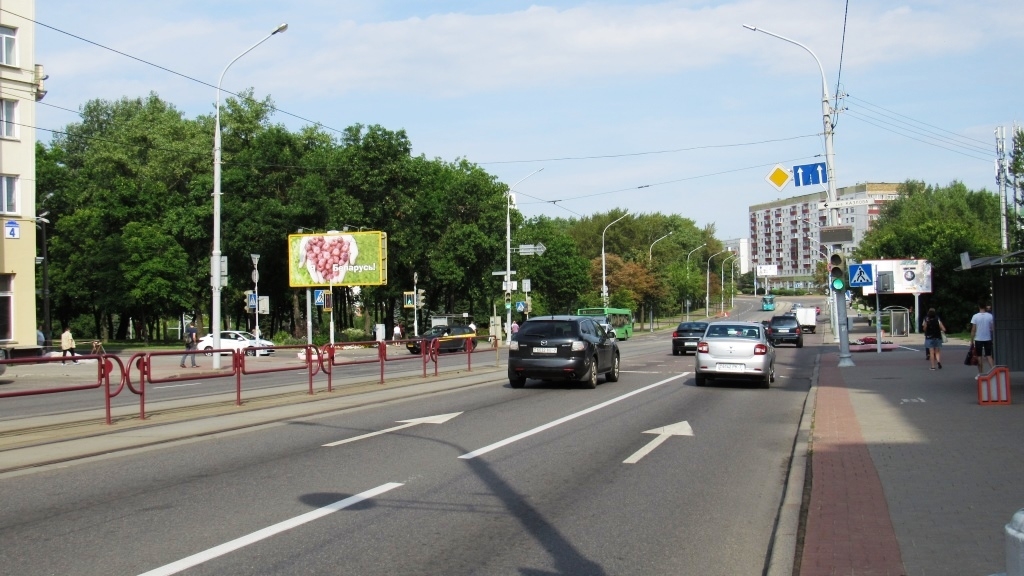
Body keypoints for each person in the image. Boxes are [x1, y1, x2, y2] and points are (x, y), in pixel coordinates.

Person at [970, 302, 995, 378]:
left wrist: (971, 340)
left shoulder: (975, 316)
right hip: (988, 338)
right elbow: (992, 328)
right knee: (989, 355)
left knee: (979, 356)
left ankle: (981, 374)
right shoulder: (990, 316)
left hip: (978, 338)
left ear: (978, 306)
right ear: (985, 307)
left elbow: (973, 329)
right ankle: (994, 372)